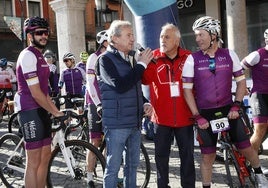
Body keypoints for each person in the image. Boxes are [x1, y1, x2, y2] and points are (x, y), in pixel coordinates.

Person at [182, 16, 268, 188]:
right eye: (196, 35)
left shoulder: (229, 55)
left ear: (213, 35)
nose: (197, 39)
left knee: (246, 147)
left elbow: (241, 82)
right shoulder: (192, 59)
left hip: (229, 109)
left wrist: (236, 104)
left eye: (201, 35)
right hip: (205, 113)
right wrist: (197, 116)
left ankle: (259, 173)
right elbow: (187, 91)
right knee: (208, 156)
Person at [95, 20, 153, 188]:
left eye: (132, 35)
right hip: (117, 124)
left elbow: (134, 88)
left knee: (132, 166)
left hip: (134, 122)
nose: (132, 39)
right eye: (128, 35)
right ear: (115, 38)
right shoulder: (105, 60)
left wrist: (144, 103)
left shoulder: (130, 59)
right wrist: (142, 64)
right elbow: (120, 86)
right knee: (113, 168)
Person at [142, 23, 195, 188]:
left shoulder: (189, 57)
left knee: (187, 158)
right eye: (161, 37)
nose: (162, 40)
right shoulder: (154, 58)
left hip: (185, 117)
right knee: (161, 158)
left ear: (177, 41)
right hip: (161, 119)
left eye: (167, 37)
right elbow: (144, 80)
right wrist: (144, 63)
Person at [14, 16, 63, 188]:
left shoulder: (40, 56)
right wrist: (56, 113)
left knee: (45, 157)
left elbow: (44, 93)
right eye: (39, 33)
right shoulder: (27, 55)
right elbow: (35, 93)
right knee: (33, 161)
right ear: (30, 36)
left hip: (41, 110)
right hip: (29, 110)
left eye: (46, 32)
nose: (44, 36)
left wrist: (57, 111)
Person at [85, 30, 108, 188]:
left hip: (109, 103)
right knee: (94, 141)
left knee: (109, 141)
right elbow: (90, 84)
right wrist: (98, 103)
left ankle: (107, 173)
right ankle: (89, 176)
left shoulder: (113, 56)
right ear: (104, 42)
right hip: (95, 103)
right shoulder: (93, 57)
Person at [240, 29, 268, 157]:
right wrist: (243, 86)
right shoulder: (257, 54)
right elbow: (238, 69)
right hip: (259, 95)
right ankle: (250, 162)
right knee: (260, 127)